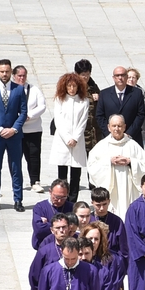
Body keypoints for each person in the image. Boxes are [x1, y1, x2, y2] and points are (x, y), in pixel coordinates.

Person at [0, 59, 27, 212]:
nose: (4, 74)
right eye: (2, 71)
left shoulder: (19, 89)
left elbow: (23, 112)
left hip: (14, 136)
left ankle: (18, 200)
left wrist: (14, 129)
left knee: (16, 168)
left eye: (7, 71)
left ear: (11, 72)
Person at [87, 115, 145, 218]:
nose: (117, 129)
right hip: (111, 189)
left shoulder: (132, 145)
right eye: (114, 126)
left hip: (128, 187)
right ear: (109, 127)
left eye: (120, 126)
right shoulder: (102, 146)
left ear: (124, 127)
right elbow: (91, 166)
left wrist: (130, 162)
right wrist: (109, 161)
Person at [51, 72, 90, 202]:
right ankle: (62, 198)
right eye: (69, 86)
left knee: (76, 173)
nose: (72, 89)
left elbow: (83, 122)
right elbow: (59, 121)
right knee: (62, 173)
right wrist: (67, 138)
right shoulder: (60, 100)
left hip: (77, 141)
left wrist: (75, 138)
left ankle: (72, 201)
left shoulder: (83, 101)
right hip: (63, 141)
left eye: (74, 86)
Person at [13, 66, 47, 194]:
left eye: (24, 75)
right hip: (16, 130)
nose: (21, 78)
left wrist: (29, 115)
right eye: (19, 76)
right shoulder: (11, 89)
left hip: (33, 129)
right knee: (16, 157)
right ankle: (17, 181)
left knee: (34, 156)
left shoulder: (34, 90)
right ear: (14, 76)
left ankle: (35, 181)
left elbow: (42, 106)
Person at [94, 66, 145, 146]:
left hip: (132, 138)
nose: (120, 78)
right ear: (113, 78)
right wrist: (111, 133)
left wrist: (129, 133)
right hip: (110, 139)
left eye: (122, 75)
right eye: (117, 76)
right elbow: (99, 116)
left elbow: (140, 115)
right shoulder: (104, 94)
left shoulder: (137, 93)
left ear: (126, 77)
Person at [31, 180, 73, 250]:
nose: (59, 201)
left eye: (63, 198)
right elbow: (39, 230)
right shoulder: (40, 207)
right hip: (44, 247)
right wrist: (65, 228)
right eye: (56, 197)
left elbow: (76, 229)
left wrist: (47, 224)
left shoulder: (72, 208)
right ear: (50, 192)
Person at [125, 68, 145, 146]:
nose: (131, 79)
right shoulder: (121, 91)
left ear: (137, 79)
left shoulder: (141, 91)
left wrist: (138, 112)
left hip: (140, 127)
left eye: (133, 77)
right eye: (129, 77)